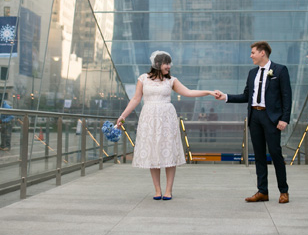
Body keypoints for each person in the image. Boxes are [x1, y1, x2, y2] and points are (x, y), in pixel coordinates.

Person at [116, 51, 216, 200]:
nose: (169, 66)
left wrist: (208, 92)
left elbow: (188, 92)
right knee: (153, 152)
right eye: (166, 63)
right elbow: (136, 99)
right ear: (157, 64)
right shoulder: (143, 79)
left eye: (169, 63)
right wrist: (123, 116)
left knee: (168, 151)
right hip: (149, 118)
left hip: (166, 119)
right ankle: (157, 190)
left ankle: (168, 190)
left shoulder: (171, 81)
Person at [214, 41, 292, 204]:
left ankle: (283, 191)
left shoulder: (280, 70)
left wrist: (284, 118)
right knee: (258, 156)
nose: (251, 56)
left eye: (253, 52)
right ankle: (262, 191)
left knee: (275, 153)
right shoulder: (252, 73)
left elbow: (286, 96)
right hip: (254, 117)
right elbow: (245, 96)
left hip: (271, 118)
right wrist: (225, 96)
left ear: (262, 53)